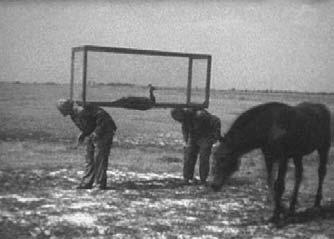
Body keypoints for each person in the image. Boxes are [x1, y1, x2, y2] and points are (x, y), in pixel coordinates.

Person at [57, 99, 117, 189]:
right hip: (94, 132)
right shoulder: (73, 114)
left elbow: (104, 118)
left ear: (66, 108)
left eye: (62, 110)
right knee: (89, 158)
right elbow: (89, 123)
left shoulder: (82, 110)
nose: (62, 113)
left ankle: (100, 183)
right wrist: (84, 133)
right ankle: (87, 182)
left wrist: (96, 132)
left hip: (105, 131)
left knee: (99, 158)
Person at [171, 108, 222, 184]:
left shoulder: (199, 115)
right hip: (195, 135)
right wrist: (186, 141)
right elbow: (185, 130)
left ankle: (203, 180)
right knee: (189, 156)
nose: (178, 121)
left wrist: (213, 138)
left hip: (206, 134)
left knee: (203, 157)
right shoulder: (185, 119)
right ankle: (187, 178)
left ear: (181, 114)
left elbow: (213, 125)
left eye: (177, 118)